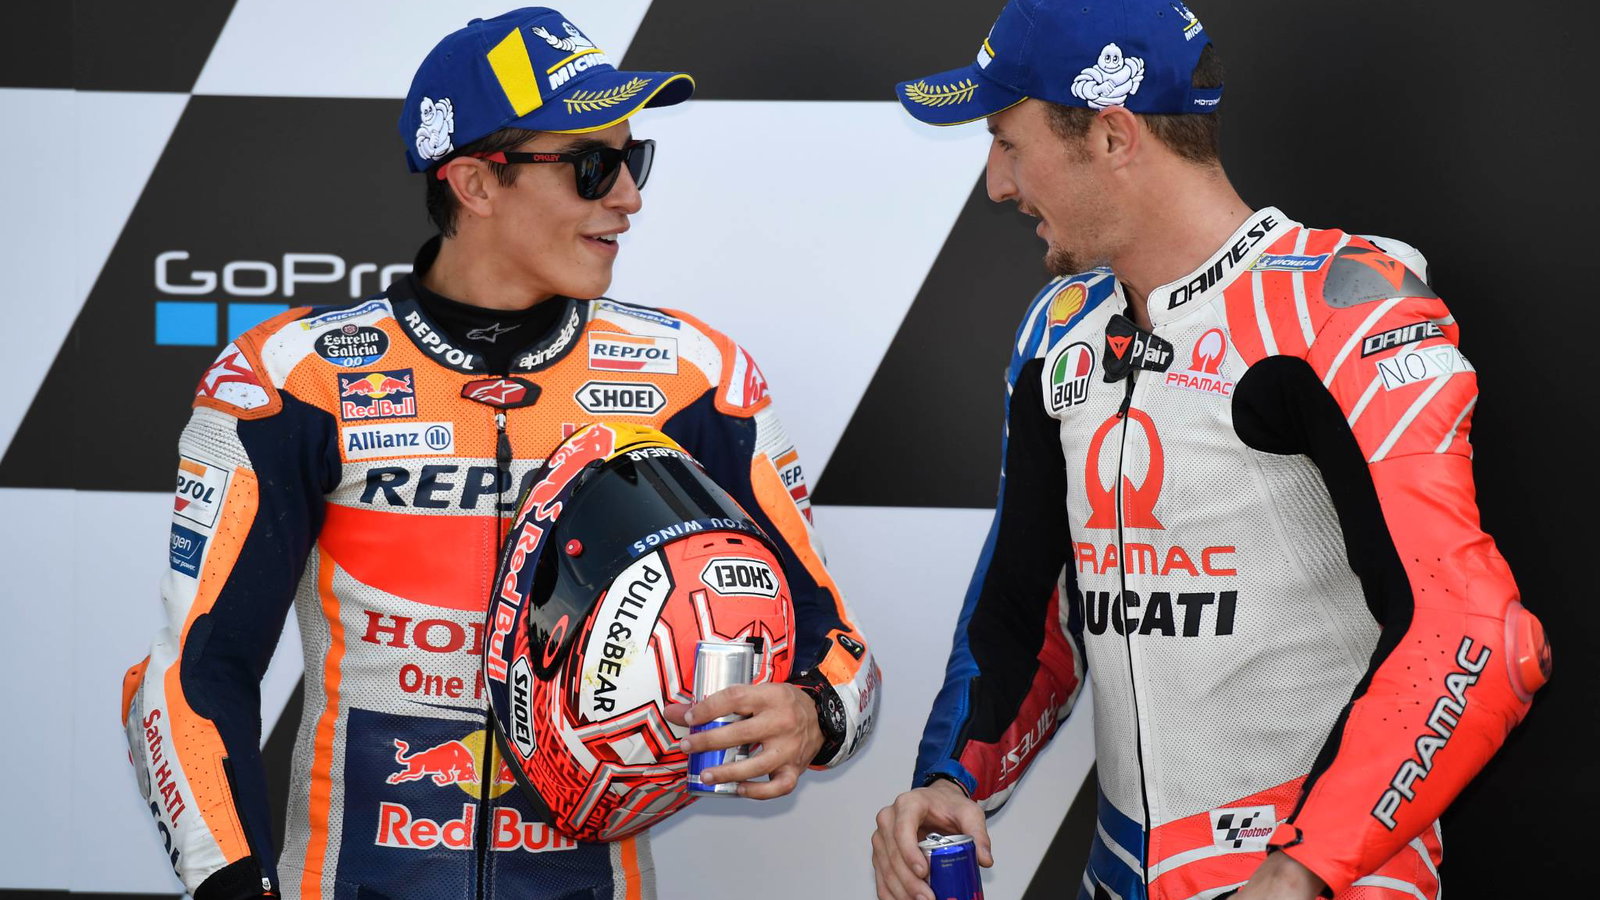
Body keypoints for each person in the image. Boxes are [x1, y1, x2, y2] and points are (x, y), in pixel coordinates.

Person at [120, 8, 879, 899]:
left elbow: (836, 645)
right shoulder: (296, 378)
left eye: (634, 161)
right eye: (593, 167)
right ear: (476, 183)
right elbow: (193, 676)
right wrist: (230, 887)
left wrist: (816, 714)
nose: (628, 198)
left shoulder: (693, 378)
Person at [871, 2, 1549, 899]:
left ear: (1112, 135)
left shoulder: (1339, 310)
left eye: (1007, 141)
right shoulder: (1060, 334)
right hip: (1118, 873)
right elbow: (1029, 616)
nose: (998, 184)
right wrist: (952, 779)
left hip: (1320, 879)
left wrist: (1303, 869)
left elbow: (1473, 632)